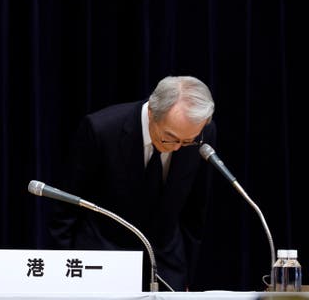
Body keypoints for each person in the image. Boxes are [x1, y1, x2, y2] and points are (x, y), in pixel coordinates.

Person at [49, 75, 216, 291]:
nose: (177, 147)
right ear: (152, 113)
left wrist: (187, 277)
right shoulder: (101, 129)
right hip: (102, 260)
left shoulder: (202, 135)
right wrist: (65, 274)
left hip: (167, 266)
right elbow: (65, 208)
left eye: (187, 141)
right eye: (170, 137)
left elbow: (195, 212)